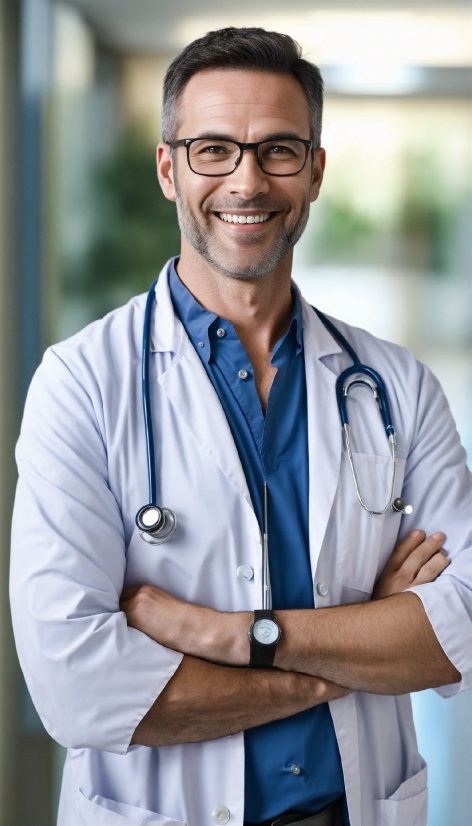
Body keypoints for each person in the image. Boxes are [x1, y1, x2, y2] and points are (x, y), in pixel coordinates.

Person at [10, 27, 471, 826]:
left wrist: (222, 635)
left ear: (316, 170)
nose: (247, 181)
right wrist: (347, 659)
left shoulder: (398, 386)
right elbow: (77, 690)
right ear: (170, 169)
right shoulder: (80, 384)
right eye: (214, 150)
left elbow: (465, 623)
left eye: (279, 151)